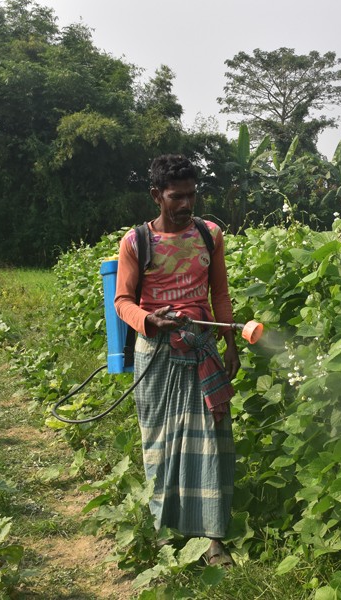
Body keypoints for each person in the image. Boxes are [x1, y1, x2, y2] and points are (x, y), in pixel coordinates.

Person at [114, 154, 239, 567]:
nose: (186, 204)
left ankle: (212, 539)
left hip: (202, 350)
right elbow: (122, 302)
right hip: (157, 357)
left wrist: (230, 343)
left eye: (191, 195)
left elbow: (219, 294)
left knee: (210, 445)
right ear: (157, 195)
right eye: (176, 197)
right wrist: (149, 320)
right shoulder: (137, 242)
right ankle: (167, 532)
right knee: (161, 444)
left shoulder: (209, 234)